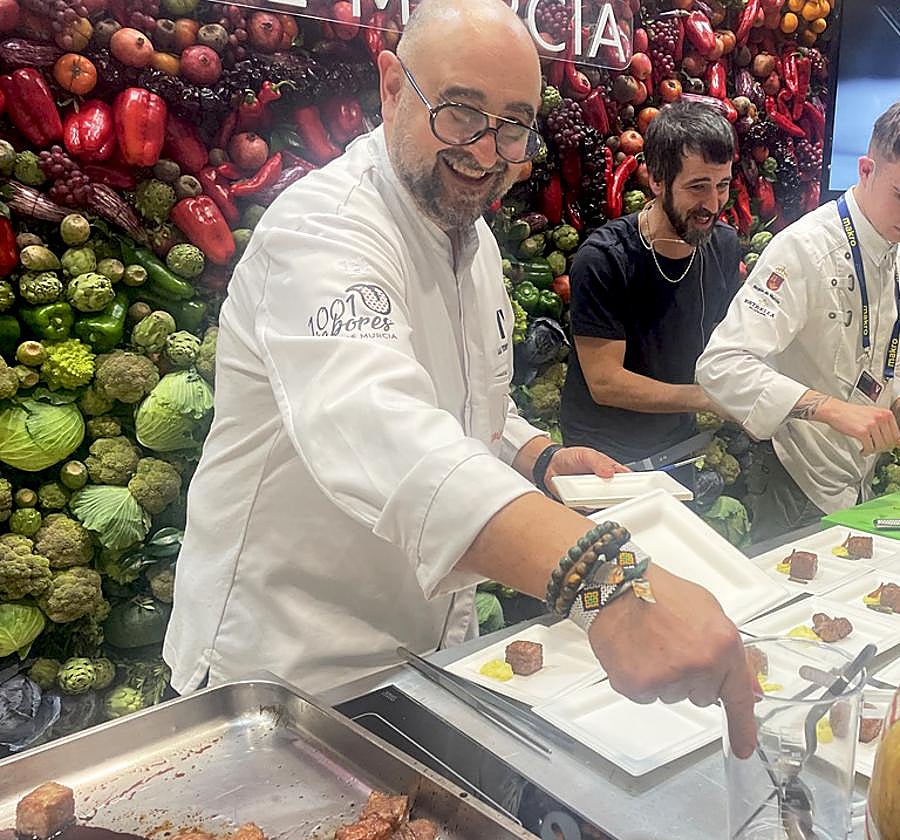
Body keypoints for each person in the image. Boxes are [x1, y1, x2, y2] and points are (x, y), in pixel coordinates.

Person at [163, 0, 759, 757]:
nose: (488, 150)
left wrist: (536, 454)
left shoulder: (469, 241)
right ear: (389, 85)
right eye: (459, 112)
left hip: (421, 662)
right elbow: (384, 428)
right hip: (284, 674)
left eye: (514, 124)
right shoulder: (322, 232)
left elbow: (464, 398)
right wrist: (599, 577)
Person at [696, 95, 900, 542]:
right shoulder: (802, 249)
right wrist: (830, 410)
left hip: (857, 484)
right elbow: (720, 367)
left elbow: (882, 361)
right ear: (865, 170)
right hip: (791, 482)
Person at [560, 101, 741, 468]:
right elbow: (605, 382)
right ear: (657, 180)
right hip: (603, 454)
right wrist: (706, 398)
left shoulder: (722, 243)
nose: (713, 203)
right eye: (697, 187)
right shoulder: (604, 259)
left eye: (722, 185)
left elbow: (727, 337)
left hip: (678, 443)